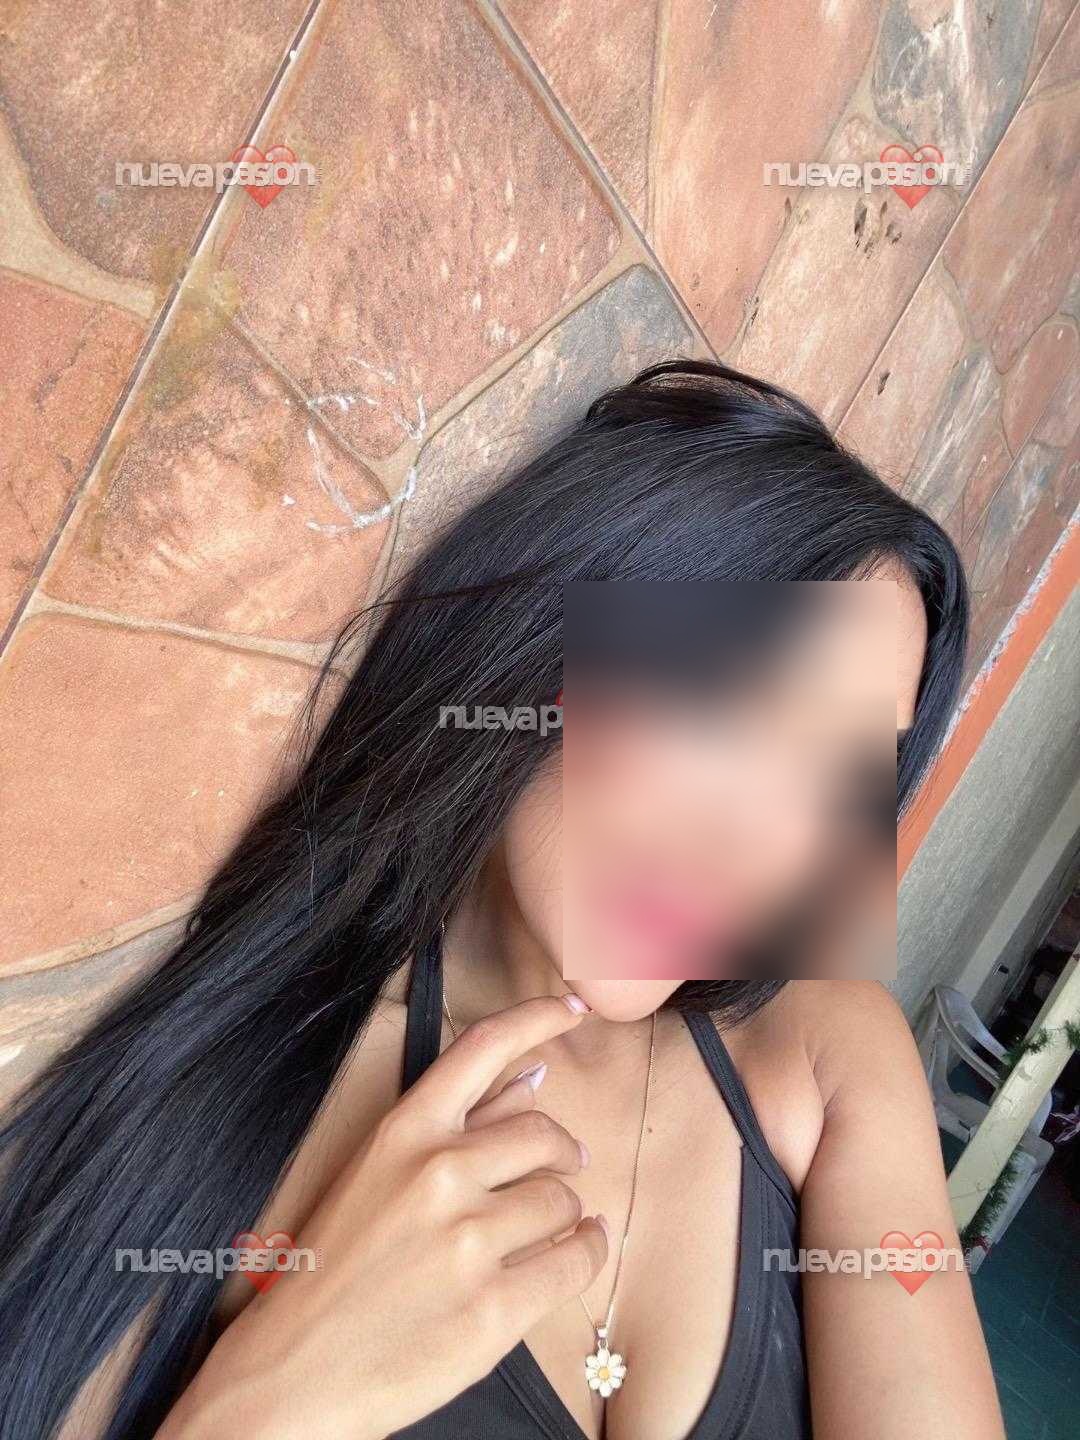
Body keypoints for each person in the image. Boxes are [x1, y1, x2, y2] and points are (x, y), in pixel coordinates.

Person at [0, 361, 1004, 1440]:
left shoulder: (825, 1054)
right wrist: (275, 1399)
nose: (757, 844)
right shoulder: (236, 1111)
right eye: (725, 706)